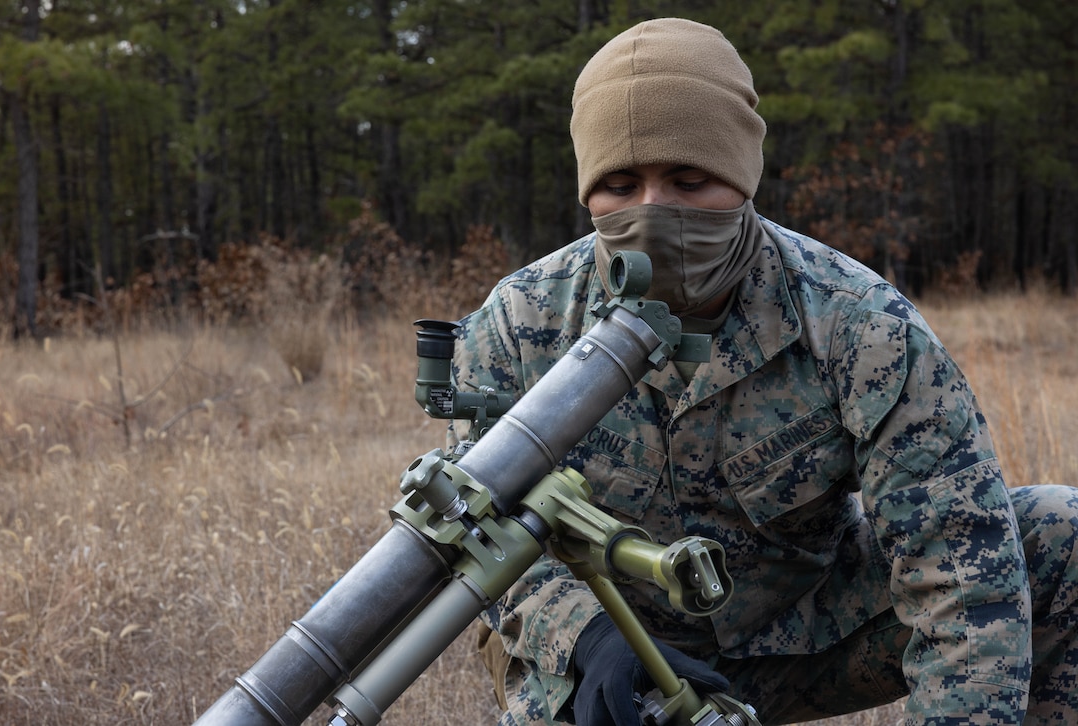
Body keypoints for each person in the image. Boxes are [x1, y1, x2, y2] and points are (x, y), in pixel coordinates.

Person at [448, 17, 1078, 726]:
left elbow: (956, 566)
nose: (654, 212)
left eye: (689, 179)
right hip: (609, 661)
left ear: (743, 174)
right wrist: (586, 639)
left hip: (803, 637)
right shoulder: (519, 323)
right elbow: (479, 534)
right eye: (620, 185)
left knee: (1058, 532)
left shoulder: (860, 325)